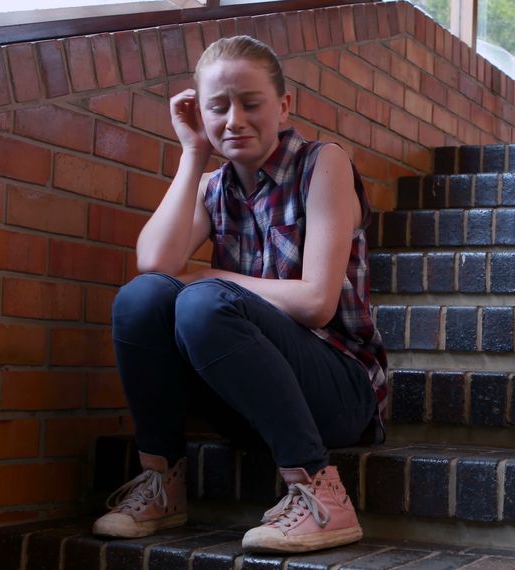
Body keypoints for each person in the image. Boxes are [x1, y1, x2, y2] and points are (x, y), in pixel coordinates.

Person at [91, 35, 388, 554]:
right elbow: (154, 264)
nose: (235, 120)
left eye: (251, 104)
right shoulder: (213, 186)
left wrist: (214, 278)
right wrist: (191, 153)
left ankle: (321, 492)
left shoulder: (323, 165)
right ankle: (164, 483)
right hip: (249, 388)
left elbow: (317, 302)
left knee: (203, 301)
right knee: (141, 299)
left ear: (284, 105)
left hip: (339, 389)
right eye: (218, 107)